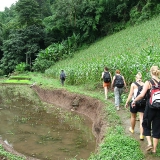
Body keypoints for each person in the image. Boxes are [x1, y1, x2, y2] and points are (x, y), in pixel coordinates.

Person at [132, 66, 160, 153]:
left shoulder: (149, 82)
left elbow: (142, 95)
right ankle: (154, 149)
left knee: (145, 124)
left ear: (151, 72)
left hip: (150, 107)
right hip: (159, 109)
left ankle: (149, 143)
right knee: (157, 128)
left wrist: (134, 100)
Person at [125, 72, 145, 140]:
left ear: (136, 78)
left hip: (134, 102)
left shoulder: (133, 84)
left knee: (133, 116)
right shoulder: (144, 84)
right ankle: (142, 135)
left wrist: (127, 102)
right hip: (143, 103)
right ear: (141, 78)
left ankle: (132, 129)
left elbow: (130, 95)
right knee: (142, 118)